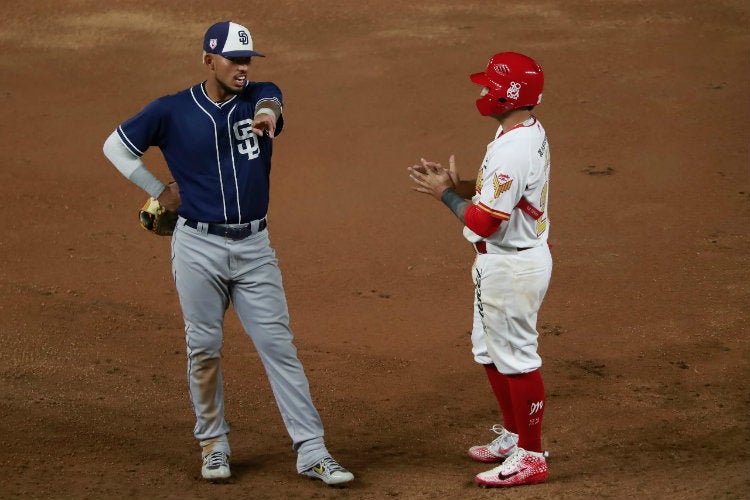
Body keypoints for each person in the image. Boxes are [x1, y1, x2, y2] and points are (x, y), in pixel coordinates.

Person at [102, 20, 354, 486]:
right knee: (204, 349)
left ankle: (312, 451)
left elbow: (270, 101)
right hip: (197, 245)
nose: (242, 68)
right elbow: (115, 147)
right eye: (234, 60)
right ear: (208, 61)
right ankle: (213, 445)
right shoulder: (171, 111)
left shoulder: (260, 94)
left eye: (247, 60)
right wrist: (158, 189)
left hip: (255, 247)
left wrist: (268, 116)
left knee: (280, 349)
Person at [408, 52, 553, 488]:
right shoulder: (522, 129)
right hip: (502, 261)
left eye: (489, 85)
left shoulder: (514, 146)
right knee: (489, 352)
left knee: (518, 361)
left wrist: (445, 197)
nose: (482, 91)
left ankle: (530, 455)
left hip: (512, 266)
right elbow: (508, 195)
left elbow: (484, 221)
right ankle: (514, 436)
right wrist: (461, 187)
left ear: (508, 93)